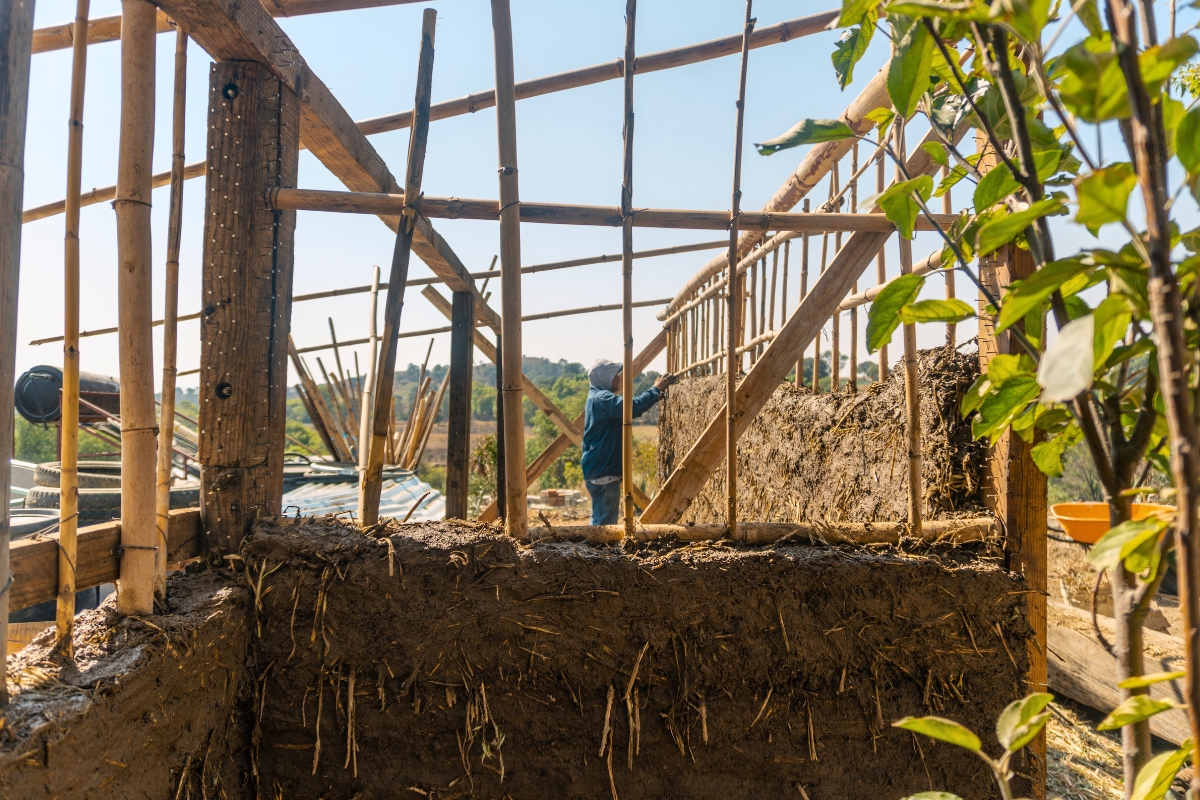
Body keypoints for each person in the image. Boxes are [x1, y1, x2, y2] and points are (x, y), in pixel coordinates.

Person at [581, 359, 674, 525]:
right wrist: (655, 389)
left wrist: (652, 397)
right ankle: (601, 551)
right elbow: (632, 407)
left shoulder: (596, 397)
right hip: (604, 471)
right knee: (604, 525)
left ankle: (597, 549)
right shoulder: (603, 399)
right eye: (615, 375)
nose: (618, 379)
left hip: (599, 468)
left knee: (601, 518)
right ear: (604, 378)